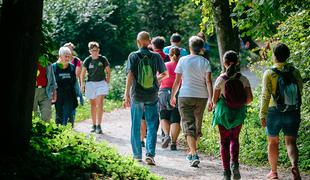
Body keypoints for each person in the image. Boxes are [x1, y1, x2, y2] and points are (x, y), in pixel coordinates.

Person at [123, 31, 168, 165]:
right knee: (152, 125)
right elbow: (165, 74)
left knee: (136, 125)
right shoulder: (156, 56)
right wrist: (155, 80)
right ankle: (150, 155)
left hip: (137, 94)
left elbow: (130, 75)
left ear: (138, 42)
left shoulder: (133, 56)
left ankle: (137, 155)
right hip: (152, 94)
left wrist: (126, 94)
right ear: (149, 41)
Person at [259, 43, 303, 180]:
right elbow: (300, 90)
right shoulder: (295, 72)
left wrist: (262, 114)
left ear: (274, 56)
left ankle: (273, 172)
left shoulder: (269, 73)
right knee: (291, 142)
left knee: (273, 142)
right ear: (287, 55)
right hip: (292, 110)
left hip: (273, 111)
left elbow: (265, 96)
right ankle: (294, 165)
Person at [170, 36, 213, 167]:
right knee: (197, 125)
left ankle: (193, 153)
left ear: (189, 47)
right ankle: (192, 151)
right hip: (202, 96)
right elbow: (208, 81)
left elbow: (177, 81)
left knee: (189, 125)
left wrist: (173, 96)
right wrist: (211, 98)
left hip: (185, 95)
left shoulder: (182, 60)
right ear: (201, 48)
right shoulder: (205, 62)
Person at [212, 50, 253, 180]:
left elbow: (214, 100)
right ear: (237, 62)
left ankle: (226, 173)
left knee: (224, 142)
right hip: (238, 113)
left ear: (224, 63)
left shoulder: (221, 79)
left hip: (224, 113)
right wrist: (238, 102)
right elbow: (249, 99)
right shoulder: (243, 79)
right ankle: (235, 165)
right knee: (234, 139)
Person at [80, 41, 111, 134]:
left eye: (96, 50)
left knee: (100, 103)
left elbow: (108, 71)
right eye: (93, 50)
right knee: (93, 105)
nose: (95, 52)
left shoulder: (103, 59)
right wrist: (82, 84)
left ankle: (99, 125)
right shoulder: (87, 60)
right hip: (90, 83)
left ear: (99, 50)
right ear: (90, 51)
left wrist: (107, 80)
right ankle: (93, 125)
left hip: (101, 83)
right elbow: (82, 74)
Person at [159, 47, 181, 150]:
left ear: (169, 55)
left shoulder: (165, 65)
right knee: (175, 118)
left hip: (164, 92)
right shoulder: (181, 66)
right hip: (177, 92)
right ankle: (173, 143)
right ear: (179, 56)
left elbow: (159, 79)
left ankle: (166, 135)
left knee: (164, 116)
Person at [52, 47, 78, 127]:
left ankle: (68, 132)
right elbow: (51, 82)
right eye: (65, 56)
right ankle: (58, 132)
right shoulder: (54, 67)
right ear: (60, 56)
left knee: (68, 113)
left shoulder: (72, 67)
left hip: (69, 93)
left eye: (69, 56)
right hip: (58, 93)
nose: (67, 58)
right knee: (59, 114)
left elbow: (74, 81)